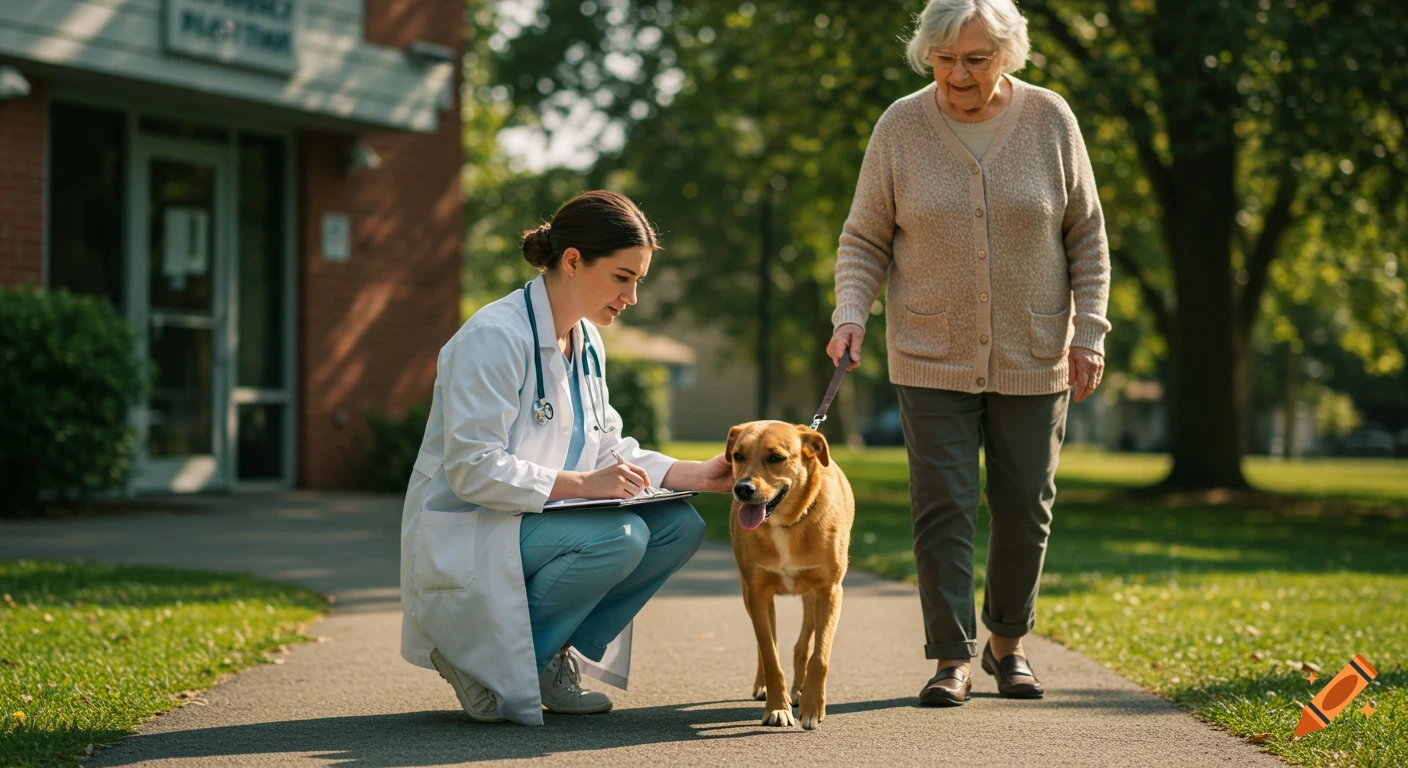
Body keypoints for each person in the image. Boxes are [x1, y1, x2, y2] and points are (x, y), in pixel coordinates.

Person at [826, 0, 1112, 707]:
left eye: (976, 59)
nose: (958, 73)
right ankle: (950, 657)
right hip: (930, 350)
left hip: (1034, 347)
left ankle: (1007, 646)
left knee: (1024, 506)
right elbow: (865, 238)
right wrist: (850, 315)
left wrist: (1090, 331)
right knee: (943, 504)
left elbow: (1086, 236)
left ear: (1009, 56)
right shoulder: (900, 125)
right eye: (945, 58)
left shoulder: (1050, 119)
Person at [399, 190, 734, 726]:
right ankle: (482, 657)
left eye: (638, 281)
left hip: (537, 519)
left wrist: (700, 474)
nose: (633, 297)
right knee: (620, 538)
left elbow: (607, 447)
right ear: (574, 260)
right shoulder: (493, 337)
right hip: (474, 524)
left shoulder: (586, 341)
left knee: (678, 527)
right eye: (623, 277)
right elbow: (471, 469)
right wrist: (583, 485)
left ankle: (544, 657)